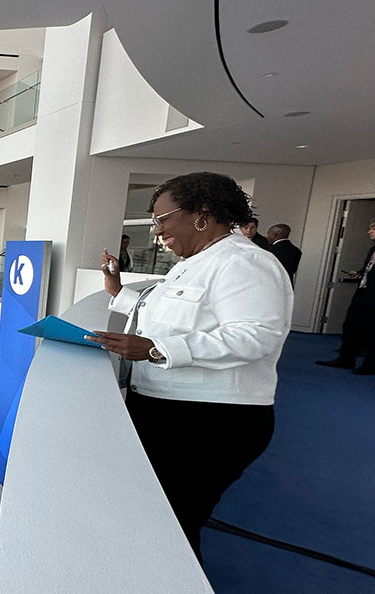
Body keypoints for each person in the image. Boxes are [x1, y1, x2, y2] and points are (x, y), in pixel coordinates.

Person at [93, 172, 294, 559]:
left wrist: (156, 350)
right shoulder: (197, 262)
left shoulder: (244, 263)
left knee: (170, 528)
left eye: (162, 219)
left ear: (200, 214)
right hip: (172, 413)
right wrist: (118, 295)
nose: (158, 231)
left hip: (209, 423)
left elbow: (257, 336)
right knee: (154, 517)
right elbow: (171, 316)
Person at [317, 220, 375, 375]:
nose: (369, 232)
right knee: (351, 326)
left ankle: (369, 365)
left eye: (372, 229)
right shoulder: (372, 249)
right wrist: (360, 273)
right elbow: (368, 270)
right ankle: (346, 359)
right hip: (363, 293)